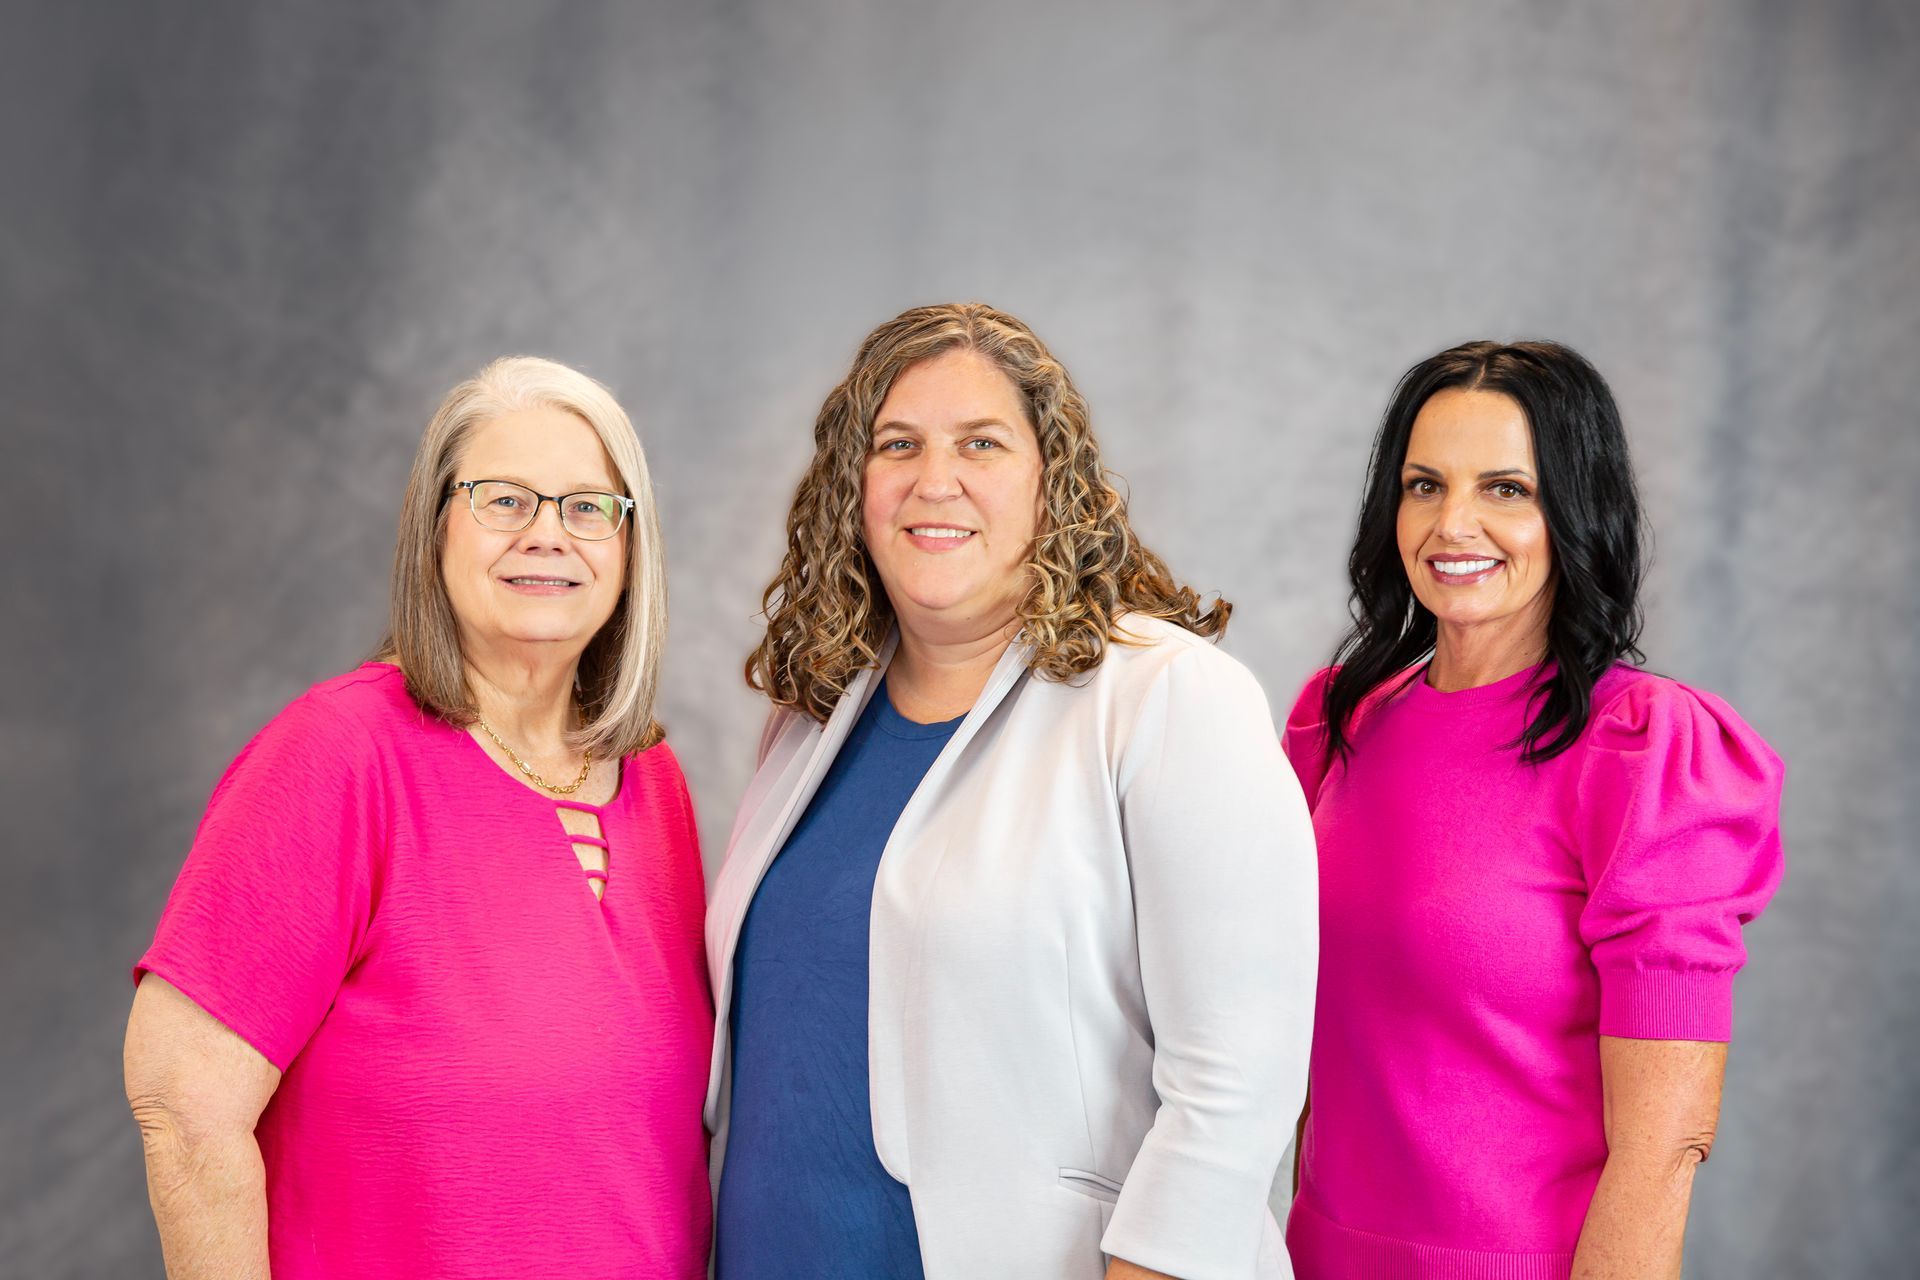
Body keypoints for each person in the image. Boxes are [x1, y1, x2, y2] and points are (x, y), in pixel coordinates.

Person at [705, 302, 1318, 1280]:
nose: (931, 480)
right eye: (896, 443)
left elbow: (1237, 1077)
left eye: (980, 443)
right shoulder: (811, 720)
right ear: (851, 486)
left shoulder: (1164, 694)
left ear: (1051, 484)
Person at [123, 356, 713, 1279]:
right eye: (504, 500)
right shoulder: (339, 756)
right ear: (436, 527)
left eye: (587, 506)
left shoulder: (654, 784)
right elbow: (183, 1104)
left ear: (631, 547)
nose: (548, 535)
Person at [1283, 340, 1785, 1278]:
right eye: (1423, 485)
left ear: (1574, 509)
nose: (1453, 524)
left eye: (1506, 489)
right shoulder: (1336, 723)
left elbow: (1664, 1144)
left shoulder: (1643, 753)